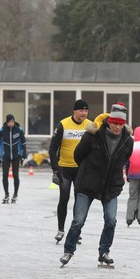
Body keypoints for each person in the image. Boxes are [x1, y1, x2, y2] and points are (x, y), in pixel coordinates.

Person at [59, 103, 134, 268]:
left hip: (110, 187)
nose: (117, 127)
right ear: (109, 122)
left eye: (121, 124)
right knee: (78, 220)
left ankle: (104, 252)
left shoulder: (127, 141)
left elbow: (125, 159)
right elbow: (78, 155)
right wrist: (88, 171)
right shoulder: (93, 135)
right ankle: (68, 250)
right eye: (114, 123)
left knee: (111, 220)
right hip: (87, 184)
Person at [49, 99, 92, 242]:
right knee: (64, 197)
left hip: (81, 169)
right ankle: (60, 229)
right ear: (74, 111)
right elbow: (52, 148)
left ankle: (75, 231)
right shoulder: (63, 124)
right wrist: (55, 170)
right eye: (81, 111)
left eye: (86, 111)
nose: (83, 113)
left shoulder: (90, 126)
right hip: (64, 169)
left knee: (79, 201)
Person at [0, 114, 27, 204]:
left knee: (16, 175)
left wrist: (24, 157)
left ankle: (15, 194)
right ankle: (6, 194)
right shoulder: (1, 131)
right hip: (5, 156)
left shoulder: (19, 130)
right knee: (5, 175)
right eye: (9, 122)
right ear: (7, 122)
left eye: (12, 122)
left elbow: (23, 144)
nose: (11, 123)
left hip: (16, 156)